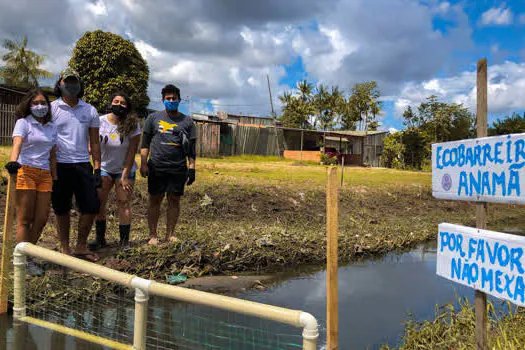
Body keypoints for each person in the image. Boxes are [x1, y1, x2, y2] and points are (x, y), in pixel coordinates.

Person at [4, 88, 57, 276]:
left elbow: (52, 154)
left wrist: (55, 175)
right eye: (35, 103)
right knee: (25, 219)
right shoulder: (23, 123)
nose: (40, 106)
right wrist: (14, 161)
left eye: (43, 103)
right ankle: (23, 261)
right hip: (25, 171)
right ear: (29, 105)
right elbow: (17, 143)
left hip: (45, 175)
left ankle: (27, 254)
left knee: (41, 219)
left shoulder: (51, 126)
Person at [51, 68, 102, 261]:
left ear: (80, 85)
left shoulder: (90, 110)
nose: (71, 86)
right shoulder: (52, 108)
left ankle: (81, 245)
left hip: (82, 163)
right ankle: (65, 248)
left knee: (91, 206)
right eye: (67, 81)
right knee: (61, 207)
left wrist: (97, 165)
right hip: (60, 165)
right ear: (60, 84)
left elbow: (95, 141)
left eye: (74, 82)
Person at [140, 84, 196, 245]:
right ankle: (153, 235)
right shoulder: (153, 119)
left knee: (174, 200)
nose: (171, 101)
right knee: (155, 199)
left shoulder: (187, 122)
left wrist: (191, 168)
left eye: (174, 99)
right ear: (163, 100)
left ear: (179, 100)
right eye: (168, 99)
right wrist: (143, 163)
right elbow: (145, 144)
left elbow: (191, 149)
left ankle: (170, 234)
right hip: (156, 166)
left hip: (178, 167)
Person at [88, 91, 141, 250]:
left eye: (123, 103)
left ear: (127, 106)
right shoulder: (100, 121)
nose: (119, 105)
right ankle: (100, 239)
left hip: (124, 168)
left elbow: (132, 151)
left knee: (124, 202)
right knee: (99, 203)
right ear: (111, 103)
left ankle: (124, 243)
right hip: (104, 167)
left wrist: (124, 176)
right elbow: (92, 144)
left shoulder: (133, 125)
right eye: (116, 101)